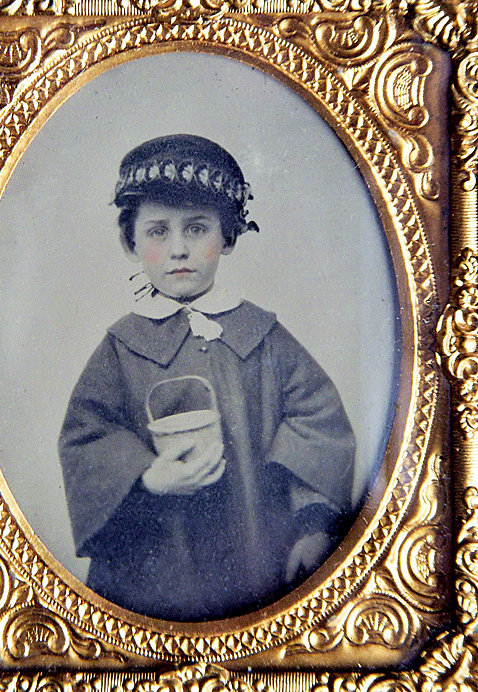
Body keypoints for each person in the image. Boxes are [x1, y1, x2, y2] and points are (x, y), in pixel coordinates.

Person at [59, 134, 356, 622]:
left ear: (229, 236)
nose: (179, 249)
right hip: (154, 566)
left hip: (257, 546)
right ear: (129, 242)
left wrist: (312, 525)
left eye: (197, 229)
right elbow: (88, 435)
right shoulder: (120, 347)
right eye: (158, 232)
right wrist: (145, 479)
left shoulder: (262, 335)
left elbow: (316, 420)